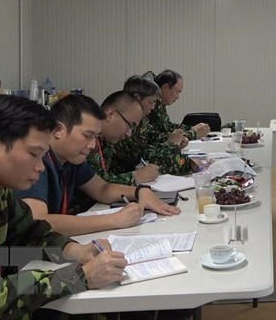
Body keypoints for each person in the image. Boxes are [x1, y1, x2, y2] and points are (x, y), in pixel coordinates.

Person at [0, 95, 128, 319]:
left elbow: (30, 233)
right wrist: (81, 276)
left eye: (43, 156)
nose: (40, 167)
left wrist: (75, 251)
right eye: (34, 154)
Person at [17, 94, 180, 237]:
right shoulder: (38, 161)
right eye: (87, 136)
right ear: (59, 129)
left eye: (95, 137)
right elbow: (39, 221)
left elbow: (102, 189)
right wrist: (112, 220)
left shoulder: (70, 159)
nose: (93, 145)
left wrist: (140, 191)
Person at [108, 75, 195, 177]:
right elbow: (144, 155)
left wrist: (174, 140)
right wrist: (171, 144)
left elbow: (153, 138)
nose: (153, 107)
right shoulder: (121, 126)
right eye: (150, 102)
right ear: (137, 98)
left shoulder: (142, 121)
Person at [84, 91, 162, 186]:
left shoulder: (108, 141)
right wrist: (135, 177)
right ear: (111, 114)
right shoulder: (87, 139)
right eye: (129, 125)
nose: (129, 134)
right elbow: (97, 184)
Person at [145, 70, 211, 149]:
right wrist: (193, 133)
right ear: (165, 88)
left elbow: (168, 127)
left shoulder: (160, 104)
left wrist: (191, 128)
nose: (178, 97)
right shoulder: (153, 106)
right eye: (177, 92)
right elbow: (158, 138)